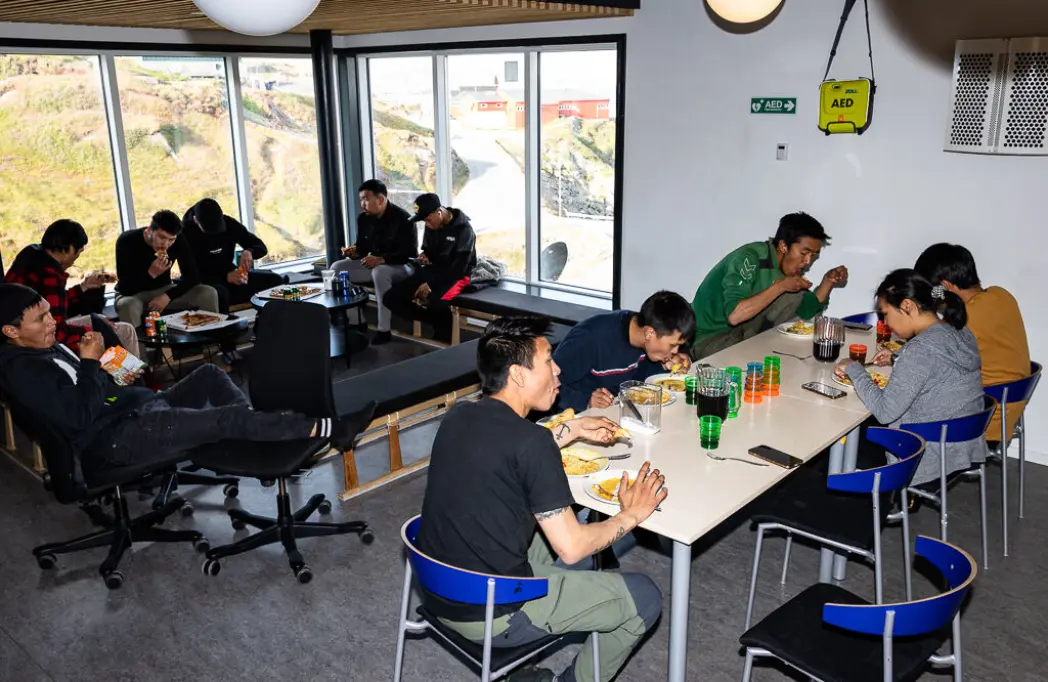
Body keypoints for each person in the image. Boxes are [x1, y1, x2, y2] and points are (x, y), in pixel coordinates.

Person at [417, 316, 666, 682]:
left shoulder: (459, 415)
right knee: (644, 597)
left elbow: (515, 445)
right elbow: (572, 548)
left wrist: (572, 428)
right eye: (549, 360)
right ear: (518, 375)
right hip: (492, 610)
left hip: (438, 587)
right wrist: (630, 515)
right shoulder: (531, 444)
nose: (558, 369)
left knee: (544, 528)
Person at [0, 284, 375, 472]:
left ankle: (255, 431)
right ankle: (331, 429)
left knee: (210, 374)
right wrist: (89, 363)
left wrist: (115, 363)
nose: (52, 322)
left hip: (135, 409)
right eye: (40, 319)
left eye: (48, 312)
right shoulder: (23, 372)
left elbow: (111, 383)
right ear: (11, 331)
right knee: (224, 418)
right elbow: (79, 416)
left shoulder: (44, 348)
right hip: (118, 436)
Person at [834, 269, 987, 488]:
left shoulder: (919, 350)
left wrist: (854, 368)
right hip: (959, 449)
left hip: (921, 458)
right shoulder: (961, 332)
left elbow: (884, 412)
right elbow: (938, 366)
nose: (886, 322)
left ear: (907, 305)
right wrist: (898, 357)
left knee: (837, 445)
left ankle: (868, 502)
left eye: (885, 314)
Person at [689, 212, 848, 360]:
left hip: (742, 335)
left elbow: (806, 310)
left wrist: (828, 282)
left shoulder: (787, 268)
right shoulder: (748, 258)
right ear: (783, 246)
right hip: (708, 337)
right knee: (754, 366)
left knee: (794, 295)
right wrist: (780, 286)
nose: (807, 261)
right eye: (804, 253)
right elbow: (734, 316)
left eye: (813, 256)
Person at [915, 243, 1030, 439]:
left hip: (977, 424)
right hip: (1004, 413)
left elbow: (924, 365)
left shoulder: (965, 320)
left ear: (945, 287)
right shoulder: (1001, 295)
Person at [5, 219, 137, 353]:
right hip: (39, 339)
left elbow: (51, 303)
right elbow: (56, 331)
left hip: (20, 332)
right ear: (69, 249)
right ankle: (133, 367)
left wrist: (83, 287)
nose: (75, 259)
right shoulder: (51, 275)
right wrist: (94, 331)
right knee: (125, 330)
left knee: (102, 320)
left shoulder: (30, 252)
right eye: (78, 252)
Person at [552, 290, 695, 413]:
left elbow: (638, 379)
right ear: (649, 333)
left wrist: (667, 366)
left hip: (620, 410)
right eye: (673, 345)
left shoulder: (647, 341)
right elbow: (547, 384)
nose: (676, 351)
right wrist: (586, 401)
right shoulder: (590, 338)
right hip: (579, 416)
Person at [330, 180, 418, 345]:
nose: (362, 203)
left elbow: (409, 254)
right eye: (361, 199)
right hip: (376, 264)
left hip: (402, 266)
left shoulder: (403, 219)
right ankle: (356, 320)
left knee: (380, 272)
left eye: (366, 199)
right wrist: (354, 253)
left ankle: (384, 330)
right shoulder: (363, 219)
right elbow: (362, 249)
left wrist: (382, 259)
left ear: (381, 199)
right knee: (337, 268)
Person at [384, 193, 476, 342]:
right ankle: (438, 322)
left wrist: (431, 284)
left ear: (438, 212)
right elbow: (428, 250)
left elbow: (459, 269)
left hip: (459, 277)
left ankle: (443, 335)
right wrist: (425, 256)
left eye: (427, 220)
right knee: (390, 298)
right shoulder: (432, 224)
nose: (426, 224)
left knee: (437, 302)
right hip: (434, 270)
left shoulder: (465, 230)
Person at [114, 210, 219, 326]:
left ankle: (210, 335)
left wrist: (168, 296)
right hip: (132, 294)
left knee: (207, 293)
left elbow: (192, 276)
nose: (165, 244)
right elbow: (125, 287)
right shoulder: (127, 240)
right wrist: (150, 273)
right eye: (162, 237)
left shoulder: (178, 239)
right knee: (129, 305)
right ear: (149, 230)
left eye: (171, 239)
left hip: (164, 289)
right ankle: (136, 339)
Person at [181, 198, 285, 314]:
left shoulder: (229, 223)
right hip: (206, 281)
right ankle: (227, 324)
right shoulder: (184, 233)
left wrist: (249, 252)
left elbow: (260, 247)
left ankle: (268, 321)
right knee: (220, 295)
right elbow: (189, 275)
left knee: (275, 280)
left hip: (232, 276)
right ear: (195, 220)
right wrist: (224, 277)